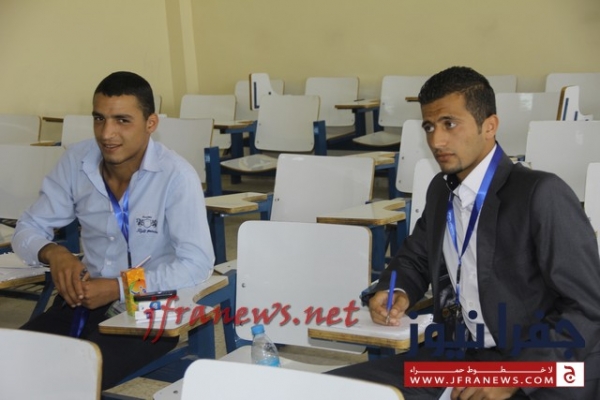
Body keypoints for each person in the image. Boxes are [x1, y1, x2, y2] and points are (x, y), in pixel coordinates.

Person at [328, 66, 600, 399]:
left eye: (450, 124)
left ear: (490, 126)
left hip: (542, 371)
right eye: (429, 126)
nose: (436, 141)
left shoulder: (540, 193)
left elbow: (587, 307)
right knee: (329, 391)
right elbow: (415, 258)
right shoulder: (440, 190)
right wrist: (395, 289)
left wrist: (513, 375)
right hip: (459, 359)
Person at [12, 71, 215, 389]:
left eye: (122, 120)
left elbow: (197, 264)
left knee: (70, 379)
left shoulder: (176, 177)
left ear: (151, 123)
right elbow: (27, 228)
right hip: (84, 298)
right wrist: (53, 252)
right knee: (10, 360)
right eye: (99, 119)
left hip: (151, 307)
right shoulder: (77, 161)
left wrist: (119, 288)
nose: (107, 133)